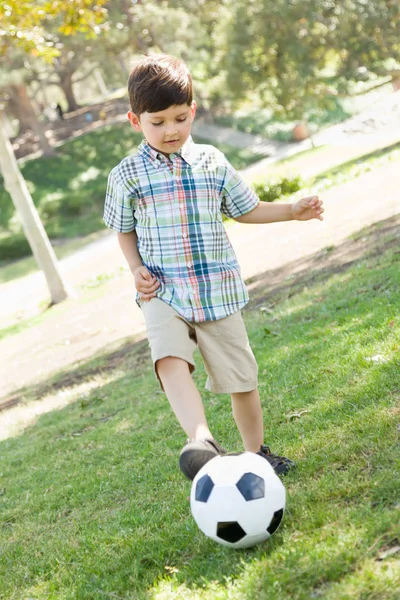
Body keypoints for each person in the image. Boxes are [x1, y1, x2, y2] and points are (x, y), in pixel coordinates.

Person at [103, 55, 324, 481]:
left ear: (194, 111)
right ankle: (201, 439)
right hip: (163, 291)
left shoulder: (212, 162)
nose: (171, 130)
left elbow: (248, 209)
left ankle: (257, 454)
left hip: (216, 289)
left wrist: (292, 211)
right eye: (158, 122)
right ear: (135, 120)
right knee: (168, 357)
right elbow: (123, 230)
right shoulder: (126, 175)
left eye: (180, 118)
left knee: (242, 380)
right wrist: (135, 269)